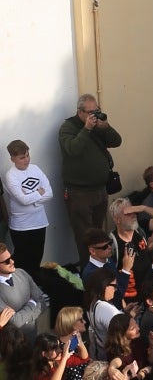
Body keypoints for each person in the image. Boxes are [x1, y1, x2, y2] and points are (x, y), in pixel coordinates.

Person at [57, 92, 123, 259]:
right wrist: (86, 129)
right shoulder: (68, 127)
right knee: (85, 237)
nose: (95, 115)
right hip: (79, 193)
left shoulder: (98, 125)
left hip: (100, 190)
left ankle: (100, 267)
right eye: (91, 112)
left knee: (98, 234)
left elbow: (116, 141)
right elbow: (73, 149)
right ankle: (89, 271)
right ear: (80, 112)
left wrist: (106, 127)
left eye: (97, 110)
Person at [3, 138, 54, 274]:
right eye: (22, 158)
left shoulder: (35, 169)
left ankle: (35, 284)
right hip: (22, 226)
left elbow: (49, 193)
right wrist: (39, 192)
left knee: (36, 259)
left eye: (27, 155)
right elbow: (23, 200)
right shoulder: (11, 176)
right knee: (22, 262)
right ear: (12, 159)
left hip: (40, 222)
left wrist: (32, 198)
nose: (26, 160)